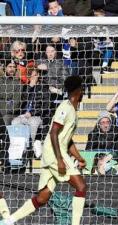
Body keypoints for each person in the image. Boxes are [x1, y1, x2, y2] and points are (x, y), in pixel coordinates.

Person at [1, 76, 87, 225]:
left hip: (55, 152)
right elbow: (53, 133)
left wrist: (79, 157)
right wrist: (60, 160)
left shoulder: (72, 109)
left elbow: (67, 140)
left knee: (43, 197)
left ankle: (9, 220)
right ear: (78, 90)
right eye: (82, 87)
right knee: (81, 186)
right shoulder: (65, 108)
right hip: (55, 153)